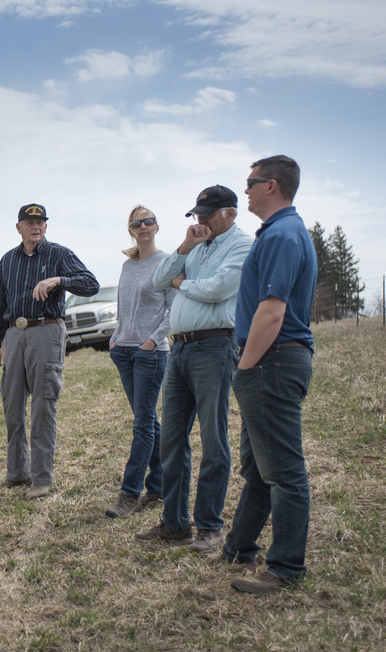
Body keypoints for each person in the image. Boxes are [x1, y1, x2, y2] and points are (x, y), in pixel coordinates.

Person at [220, 155, 318, 595]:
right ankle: (238, 548)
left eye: (250, 182)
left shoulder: (282, 235)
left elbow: (272, 310)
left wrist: (244, 368)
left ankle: (285, 570)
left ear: (271, 186)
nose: (245, 190)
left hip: (270, 361)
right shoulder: (282, 232)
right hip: (271, 361)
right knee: (260, 468)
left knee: (283, 470)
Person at [135, 186, 253, 550]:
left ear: (230, 213)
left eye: (207, 214)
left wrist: (183, 283)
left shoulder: (242, 245)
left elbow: (219, 289)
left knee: (213, 439)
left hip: (216, 346)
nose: (200, 221)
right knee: (171, 438)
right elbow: (157, 281)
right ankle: (175, 523)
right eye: (197, 215)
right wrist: (184, 247)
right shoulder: (196, 247)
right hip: (181, 350)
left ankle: (210, 527)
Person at [0, 204, 99, 500]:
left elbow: (91, 284)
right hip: (14, 333)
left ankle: (42, 478)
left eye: (40, 222)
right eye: (29, 222)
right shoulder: (7, 260)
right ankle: (17, 473)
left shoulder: (59, 254)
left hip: (47, 331)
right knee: (12, 405)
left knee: (42, 406)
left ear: (46, 227)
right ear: (19, 227)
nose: (35, 226)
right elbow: (1, 305)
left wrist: (59, 280)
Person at [104, 206, 175, 518]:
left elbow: (174, 310)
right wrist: (116, 337)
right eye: (137, 223)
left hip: (152, 354)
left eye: (148, 221)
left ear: (157, 227)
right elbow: (124, 306)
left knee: (142, 424)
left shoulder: (168, 263)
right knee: (148, 421)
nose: (143, 226)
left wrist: (152, 340)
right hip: (124, 351)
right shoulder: (127, 265)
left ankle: (129, 494)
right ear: (131, 230)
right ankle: (159, 486)